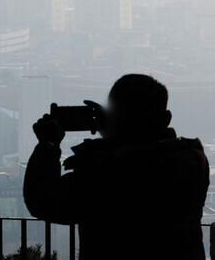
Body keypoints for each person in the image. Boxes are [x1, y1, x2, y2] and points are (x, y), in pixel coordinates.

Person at [23, 74, 209, 260]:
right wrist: (115, 133)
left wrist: (48, 145)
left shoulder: (104, 174)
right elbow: (146, 152)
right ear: (166, 118)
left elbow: (43, 200)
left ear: (116, 118)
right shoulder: (192, 162)